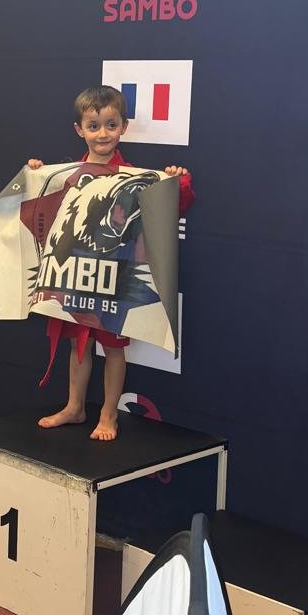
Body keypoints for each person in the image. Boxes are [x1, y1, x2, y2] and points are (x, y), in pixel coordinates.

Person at [28, 83, 193, 442]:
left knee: (114, 348)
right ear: (79, 130)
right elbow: (40, 205)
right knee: (78, 344)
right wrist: (38, 174)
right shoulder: (67, 174)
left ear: (123, 127)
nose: (102, 134)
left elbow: (168, 210)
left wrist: (175, 184)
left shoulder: (132, 176)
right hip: (76, 276)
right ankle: (74, 407)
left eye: (111, 125)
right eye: (93, 126)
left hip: (114, 278)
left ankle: (108, 413)